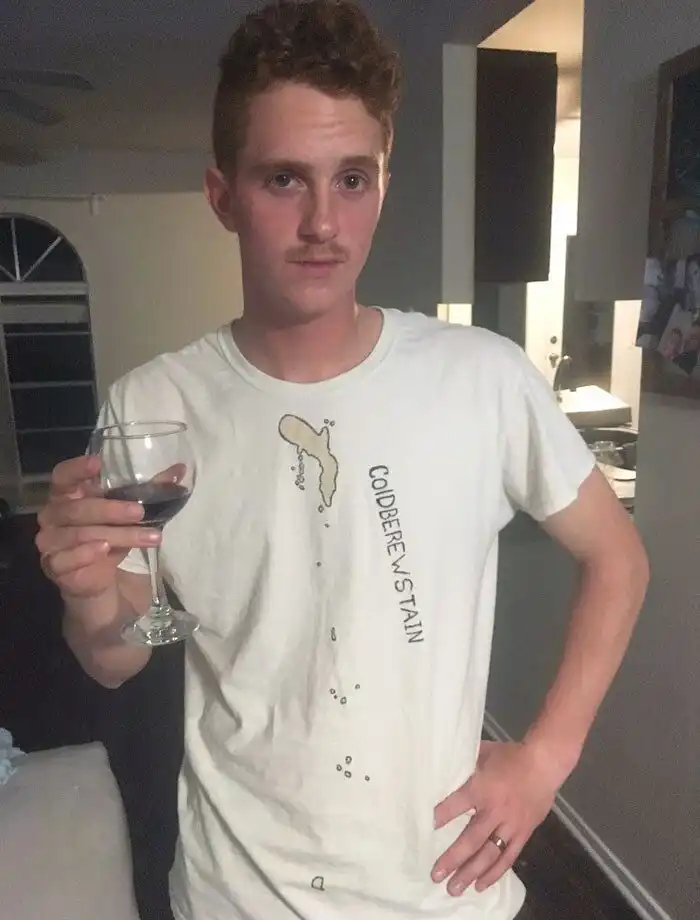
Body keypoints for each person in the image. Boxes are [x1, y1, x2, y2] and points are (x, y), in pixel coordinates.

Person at [35, 2, 649, 919]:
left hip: (440, 887)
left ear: (383, 185)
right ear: (223, 196)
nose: (323, 221)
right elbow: (130, 650)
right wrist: (92, 597)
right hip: (237, 892)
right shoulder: (154, 405)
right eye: (285, 179)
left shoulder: (481, 378)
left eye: (352, 179)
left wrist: (545, 757)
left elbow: (619, 558)